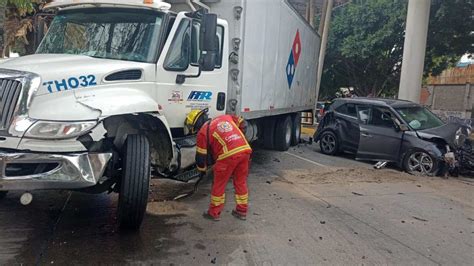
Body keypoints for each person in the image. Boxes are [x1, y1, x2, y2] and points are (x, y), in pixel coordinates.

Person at [185, 109, 252, 221]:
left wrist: (202, 171)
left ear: (195, 125)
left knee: (219, 184)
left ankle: (214, 213)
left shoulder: (203, 131)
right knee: (240, 182)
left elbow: (201, 157)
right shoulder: (225, 117)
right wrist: (238, 138)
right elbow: (243, 123)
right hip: (245, 150)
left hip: (227, 155)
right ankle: (241, 211)